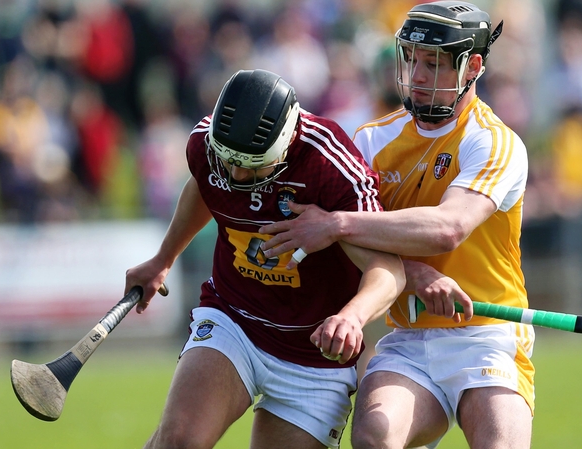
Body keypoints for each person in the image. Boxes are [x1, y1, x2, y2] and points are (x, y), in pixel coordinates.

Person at [259, 2, 535, 448]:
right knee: (374, 437)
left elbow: (448, 227)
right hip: (408, 337)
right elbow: (346, 246)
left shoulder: (494, 142)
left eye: (434, 63)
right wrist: (417, 273)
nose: (417, 74)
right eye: (410, 58)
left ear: (473, 67)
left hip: (487, 335)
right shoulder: (371, 140)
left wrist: (337, 223)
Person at [125, 69, 405, 449]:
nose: (237, 176)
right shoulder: (208, 145)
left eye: (253, 165)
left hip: (313, 355)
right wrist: (163, 258)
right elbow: (204, 186)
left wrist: (351, 318)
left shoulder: (331, 163)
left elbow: (388, 268)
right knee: (179, 441)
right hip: (234, 321)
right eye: (229, 163)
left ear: (287, 141)